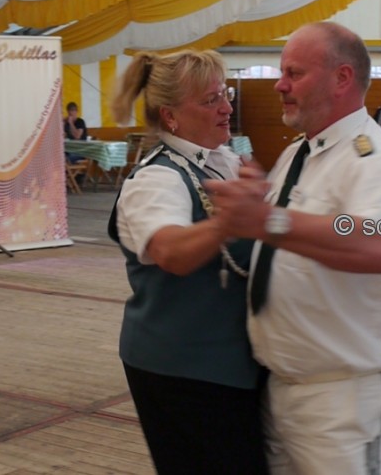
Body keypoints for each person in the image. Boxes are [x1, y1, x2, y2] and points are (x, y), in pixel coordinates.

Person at [206, 22, 381, 474]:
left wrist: (267, 220)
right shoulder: (299, 155)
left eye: (294, 73)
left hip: (344, 398)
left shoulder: (377, 161)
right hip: (283, 387)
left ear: (341, 78)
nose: (280, 85)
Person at [106, 49, 268, 474]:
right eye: (211, 100)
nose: (226, 107)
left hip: (226, 364)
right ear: (171, 116)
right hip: (181, 371)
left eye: (225, 94)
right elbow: (170, 252)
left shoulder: (226, 163)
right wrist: (229, 222)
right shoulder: (156, 178)